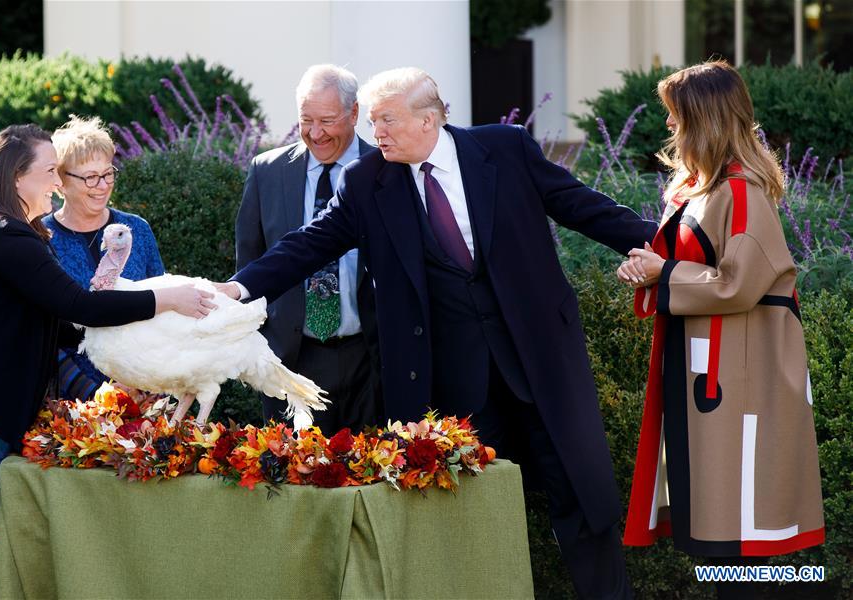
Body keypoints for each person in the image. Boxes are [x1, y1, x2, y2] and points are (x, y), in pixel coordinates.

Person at [218, 67, 657, 599]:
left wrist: (665, 244)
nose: (375, 133)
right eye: (373, 120)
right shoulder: (368, 181)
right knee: (474, 509)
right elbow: (307, 244)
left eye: (386, 120)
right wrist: (237, 291)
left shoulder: (505, 149)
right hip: (454, 379)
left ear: (429, 119)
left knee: (579, 494)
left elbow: (581, 206)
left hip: (537, 358)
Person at [0, 124, 215, 599]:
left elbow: (61, 321)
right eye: (51, 172)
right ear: (17, 177)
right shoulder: (5, 235)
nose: (57, 183)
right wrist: (168, 298)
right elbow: (79, 309)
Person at [617, 61, 824, 599]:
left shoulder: (741, 191)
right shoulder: (703, 188)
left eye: (676, 116)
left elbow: (738, 285)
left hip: (739, 376)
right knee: (724, 525)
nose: (670, 128)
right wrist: (648, 267)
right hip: (710, 368)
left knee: (740, 526)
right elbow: (695, 268)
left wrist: (665, 272)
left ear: (703, 118)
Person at [235, 65, 381, 435]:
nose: (316, 134)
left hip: (371, 358)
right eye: (306, 120)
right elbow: (251, 261)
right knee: (296, 482)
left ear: (353, 114)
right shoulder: (266, 172)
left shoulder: (385, 171)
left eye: (327, 121)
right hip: (292, 361)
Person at [42, 115, 166, 401]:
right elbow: (43, 335)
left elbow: (161, 309)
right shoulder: (41, 238)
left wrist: (148, 384)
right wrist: (96, 393)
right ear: (60, 182)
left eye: (108, 173)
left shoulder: (137, 230)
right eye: (90, 177)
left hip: (143, 392)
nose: (102, 185)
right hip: (72, 402)